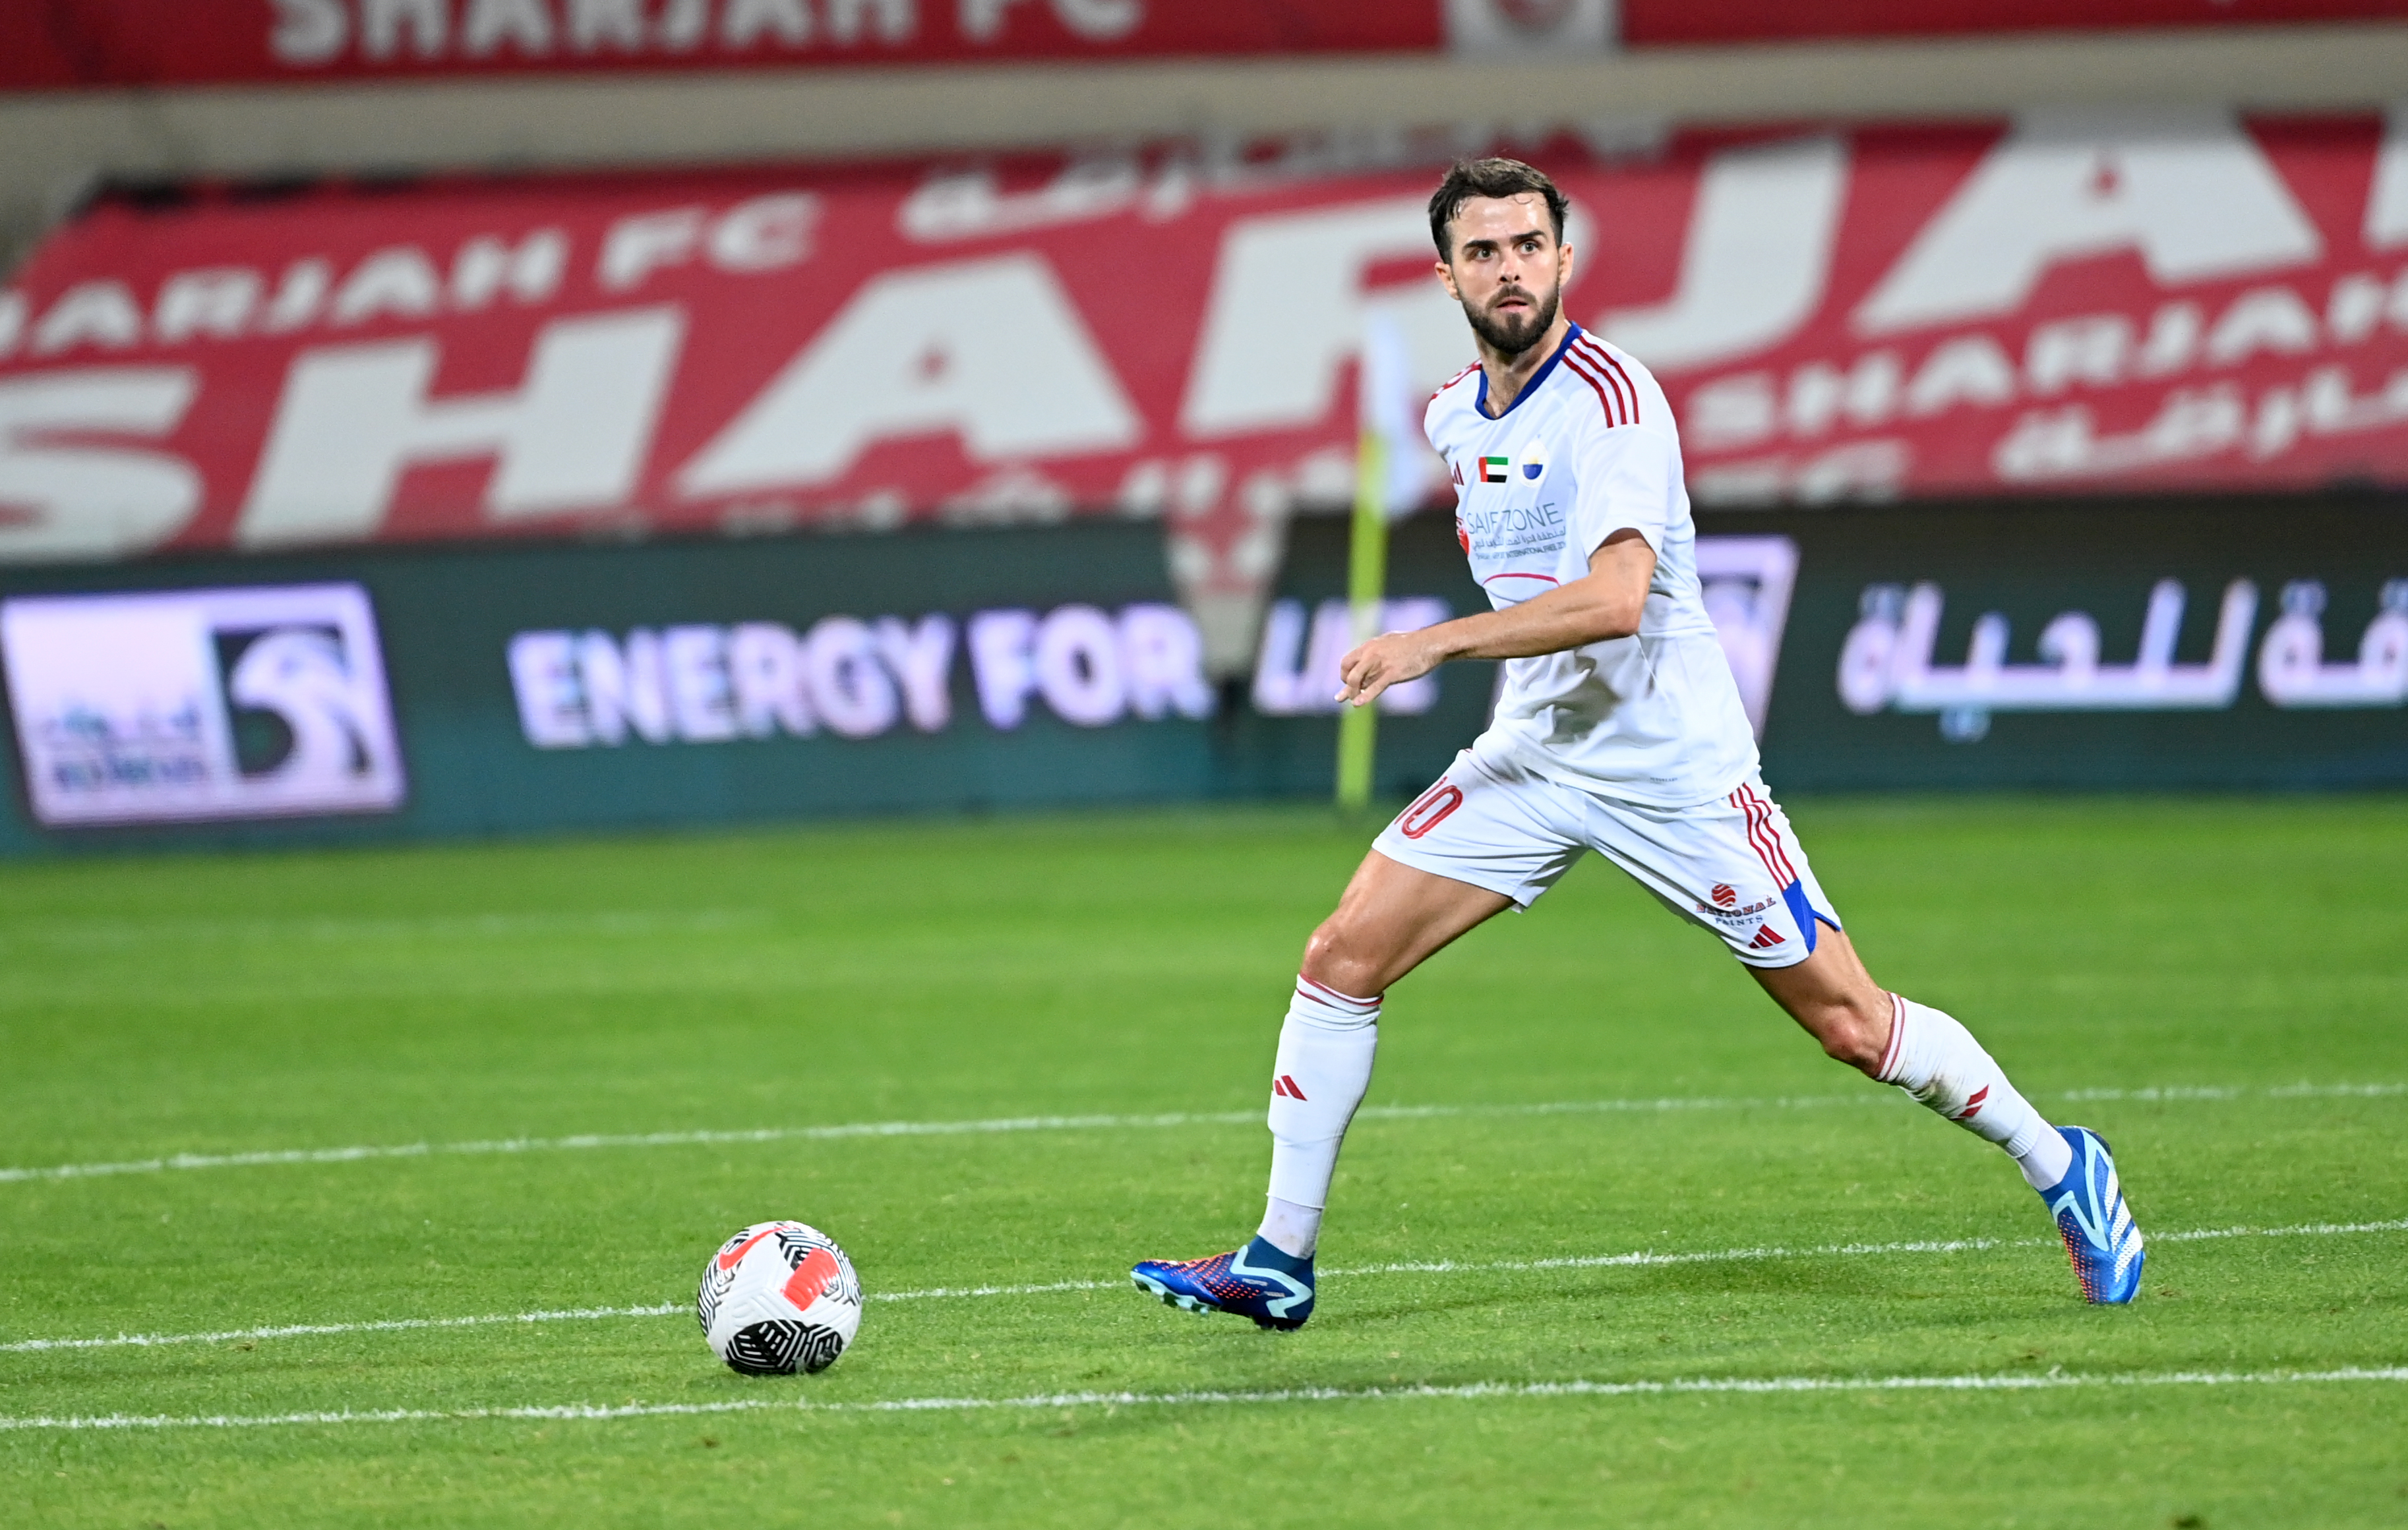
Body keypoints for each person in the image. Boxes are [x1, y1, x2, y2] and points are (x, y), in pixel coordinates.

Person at [1130, 158, 2144, 1332]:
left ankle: (2061, 1162)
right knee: (1341, 955)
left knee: (1850, 1023)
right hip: (1537, 753)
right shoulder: (1453, 414)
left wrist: (1436, 644)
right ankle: (1279, 1257)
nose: (1508, 268)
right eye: (1483, 251)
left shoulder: (1615, 401)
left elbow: (1618, 599)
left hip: (1673, 768)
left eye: (1527, 245)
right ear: (1447, 274)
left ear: (1564, 257)